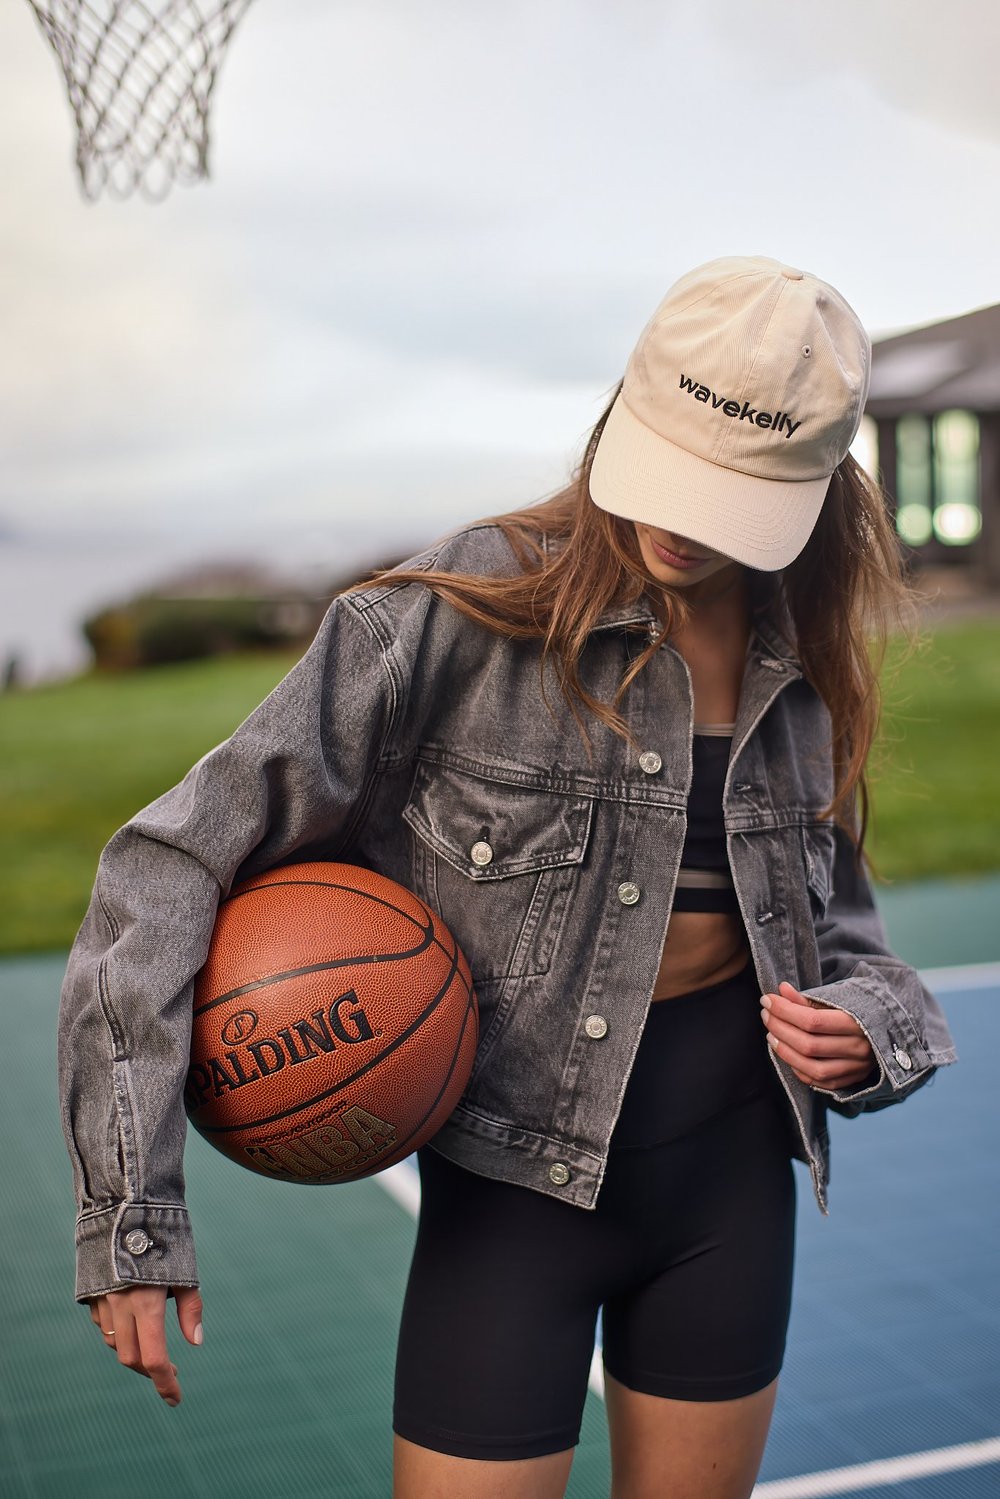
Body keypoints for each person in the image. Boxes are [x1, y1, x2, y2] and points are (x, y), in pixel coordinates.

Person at [59, 255, 956, 1499]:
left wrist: (868, 1029)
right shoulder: (452, 617)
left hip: (730, 1188)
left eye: (733, 497)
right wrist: (133, 1215)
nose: (684, 525)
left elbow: (844, 938)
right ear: (622, 413)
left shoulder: (797, 663)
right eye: (675, 471)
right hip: (510, 1209)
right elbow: (164, 863)